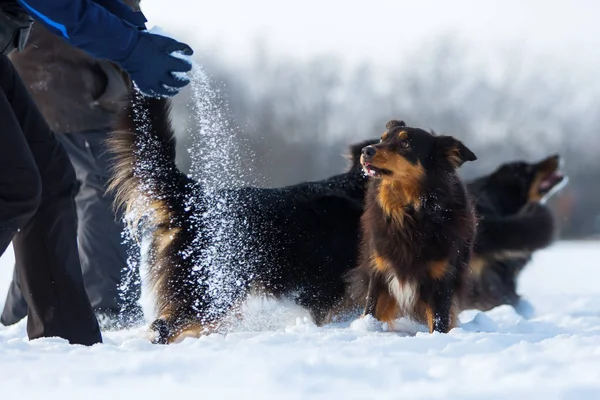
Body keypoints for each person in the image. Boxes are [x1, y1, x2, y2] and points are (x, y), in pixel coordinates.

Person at [0, 0, 192, 345]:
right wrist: (132, 48)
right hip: (61, 75)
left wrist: (133, 23)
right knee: (15, 188)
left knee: (50, 182)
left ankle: (65, 337)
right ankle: (97, 305)